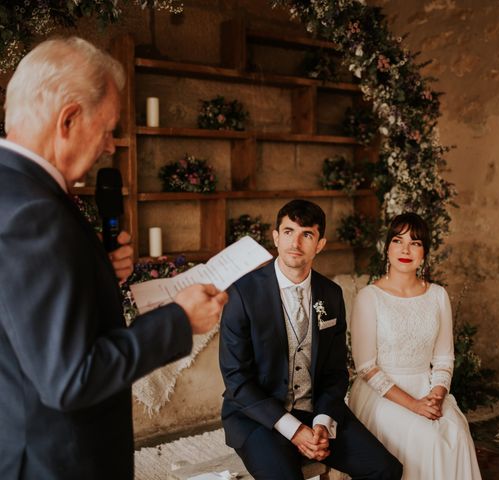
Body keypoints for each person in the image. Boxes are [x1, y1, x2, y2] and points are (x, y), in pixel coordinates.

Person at [0, 37, 228, 479]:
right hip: (58, 459)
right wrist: (179, 320)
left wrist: (98, 270)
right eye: (107, 129)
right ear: (68, 119)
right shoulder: (33, 212)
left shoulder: (14, 188)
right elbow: (69, 378)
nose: (109, 146)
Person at [219, 199, 403, 480]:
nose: (296, 242)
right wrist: (295, 431)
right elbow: (237, 380)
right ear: (276, 237)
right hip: (259, 419)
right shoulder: (241, 294)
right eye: (289, 231)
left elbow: (335, 373)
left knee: (386, 469)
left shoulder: (331, 294)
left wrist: (322, 423)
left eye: (307, 234)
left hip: (316, 410)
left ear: (320, 244)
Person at [349, 212, 482, 480]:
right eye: (398, 241)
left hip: (427, 386)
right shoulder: (369, 297)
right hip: (382, 394)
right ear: (387, 249)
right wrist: (414, 405)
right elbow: (365, 367)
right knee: (426, 439)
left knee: (456, 431)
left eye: (415, 243)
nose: (406, 249)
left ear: (424, 253)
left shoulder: (438, 295)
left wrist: (437, 396)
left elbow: (444, 358)